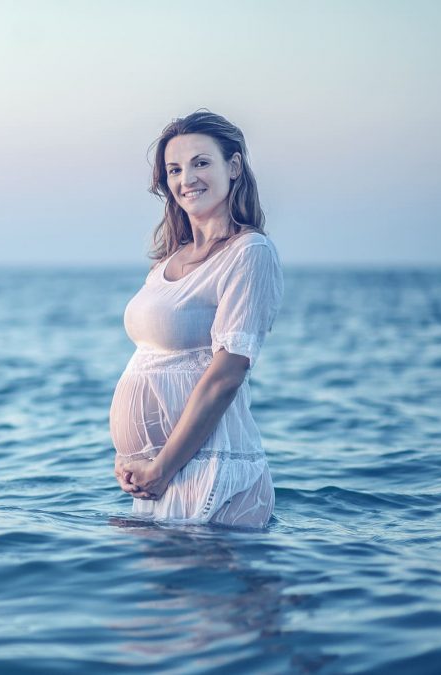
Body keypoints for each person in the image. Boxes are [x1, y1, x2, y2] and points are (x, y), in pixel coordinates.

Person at [110, 109, 284, 529]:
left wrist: (162, 466)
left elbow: (227, 374)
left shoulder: (249, 252)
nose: (186, 178)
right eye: (174, 169)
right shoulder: (167, 262)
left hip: (214, 474)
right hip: (161, 477)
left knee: (215, 596)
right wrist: (132, 458)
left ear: (235, 166)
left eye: (201, 162)